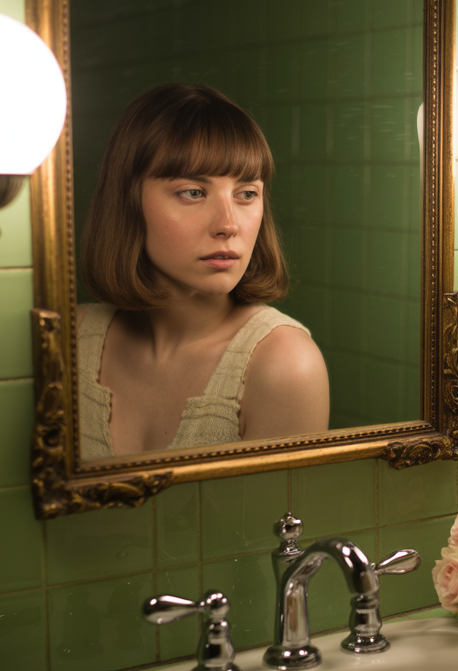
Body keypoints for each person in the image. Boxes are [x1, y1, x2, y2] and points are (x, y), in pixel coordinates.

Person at [77, 83, 329, 460]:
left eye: (246, 194)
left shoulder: (286, 364)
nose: (228, 225)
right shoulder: (69, 341)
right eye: (193, 192)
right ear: (128, 202)